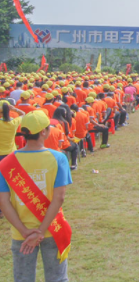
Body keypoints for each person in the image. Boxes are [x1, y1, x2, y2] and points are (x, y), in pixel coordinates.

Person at [0, 111, 73, 282]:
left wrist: (26, 231)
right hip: (51, 228)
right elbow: (59, 198)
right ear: (44, 132)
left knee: (23, 279)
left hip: (21, 233)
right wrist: (40, 231)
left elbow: (3, 202)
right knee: (57, 278)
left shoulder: (6, 163)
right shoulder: (58, 158)